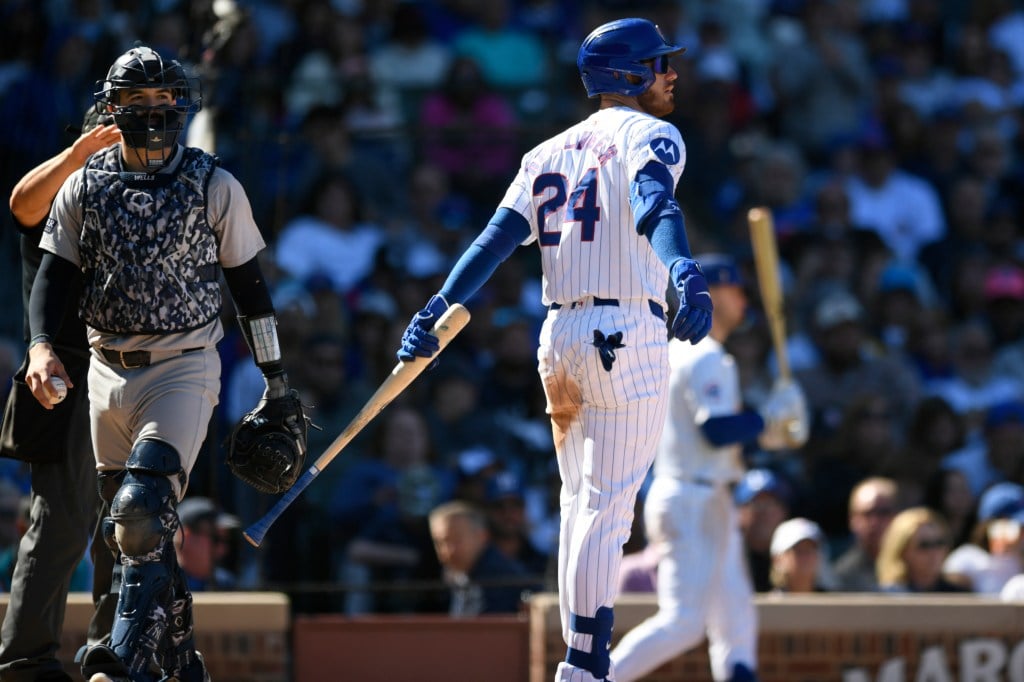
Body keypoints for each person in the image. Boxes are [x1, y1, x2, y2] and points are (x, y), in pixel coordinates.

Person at [394, 18, 713, 682]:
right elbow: (656, 205)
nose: (671, 73)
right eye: (659, 64)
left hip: (559, 338)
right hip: (626, 330)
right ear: (629, 75)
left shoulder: (546, 151)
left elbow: (494, 240)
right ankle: (586, 662)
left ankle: (581, 658)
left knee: (579, 502)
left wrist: (437, 305)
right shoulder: (653, 133)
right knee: (607, 503)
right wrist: (684, 269)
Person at [23, 45, 306, 682]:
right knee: (128, 526)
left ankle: (118, 660)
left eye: (164, 99)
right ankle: (179, 659)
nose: (152, 112)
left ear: (182, 104)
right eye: (136, 101)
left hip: (184, 364)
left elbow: (250, 289)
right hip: (104, 367)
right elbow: (54, 278)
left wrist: (276, 379)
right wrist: (41, 346)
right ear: (112, 106)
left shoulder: (214, 182)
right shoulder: (83, 186)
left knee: (142, 507)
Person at [609, 254, 809, 682]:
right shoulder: (705, 354)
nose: (743, 301)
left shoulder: (682, 349)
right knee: (683, 623)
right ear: (714, 292)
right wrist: (766, 420)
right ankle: (597, 678)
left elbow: (721, 439)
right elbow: (716, 431)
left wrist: (767, 430)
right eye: (736, 291)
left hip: (703, 494)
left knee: (736, 621)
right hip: (692, 498)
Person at [0, 107, 121, 682]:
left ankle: (115, 652)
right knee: (64, 521)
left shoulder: (146, 192)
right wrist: (78, 154)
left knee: (133, 522)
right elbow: (21, 205)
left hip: (135, 370)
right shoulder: (67, 184)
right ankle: (25, 663)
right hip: (64, 371)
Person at [427, 500, 537, 616]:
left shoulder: (498, 578)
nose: (448, 550)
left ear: (481, 536)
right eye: (440, 542)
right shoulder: (459, 575)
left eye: (457, 539)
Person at [831, 476, 900, 592]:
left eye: (883, 512)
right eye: (867, 513)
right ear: (852, 519)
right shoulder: (841, 576)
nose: (875, 522)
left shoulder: (915, 566)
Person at [174, 497, 239, 593]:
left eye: (225, 540)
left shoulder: (225, 582)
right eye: (216, 539)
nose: (223, 549)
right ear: (186, 536)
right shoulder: (162, 584)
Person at [768, 517, 830, 593]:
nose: (806, 557)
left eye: (811, 550)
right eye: (798, 551)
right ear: (777, 559)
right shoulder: (769, 603)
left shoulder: (835, 601)